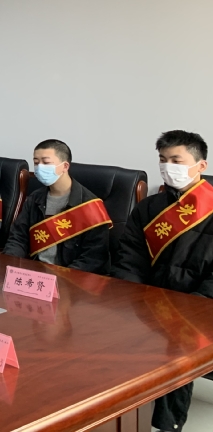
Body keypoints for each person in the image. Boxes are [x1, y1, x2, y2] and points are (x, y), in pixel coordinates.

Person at [115, 130, 212, 432]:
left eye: (176, 160)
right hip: (149, 300)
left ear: (201, 165)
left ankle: (166, 424)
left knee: (177, 342)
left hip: (199, 307)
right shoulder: (148, 207)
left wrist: (190, 308)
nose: (168, 166)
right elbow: (129, 257)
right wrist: (137, 297)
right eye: (162, 159)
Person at [3, 139, 111, 273]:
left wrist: (62, 279)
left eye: (46, 162)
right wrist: (10, 265)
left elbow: (93, 258)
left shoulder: (90, 206)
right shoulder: (35, 199)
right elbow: (18, 238)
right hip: (34, 272)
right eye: (36, 162)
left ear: (65, 166)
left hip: (70, 277)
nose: (39, 167)